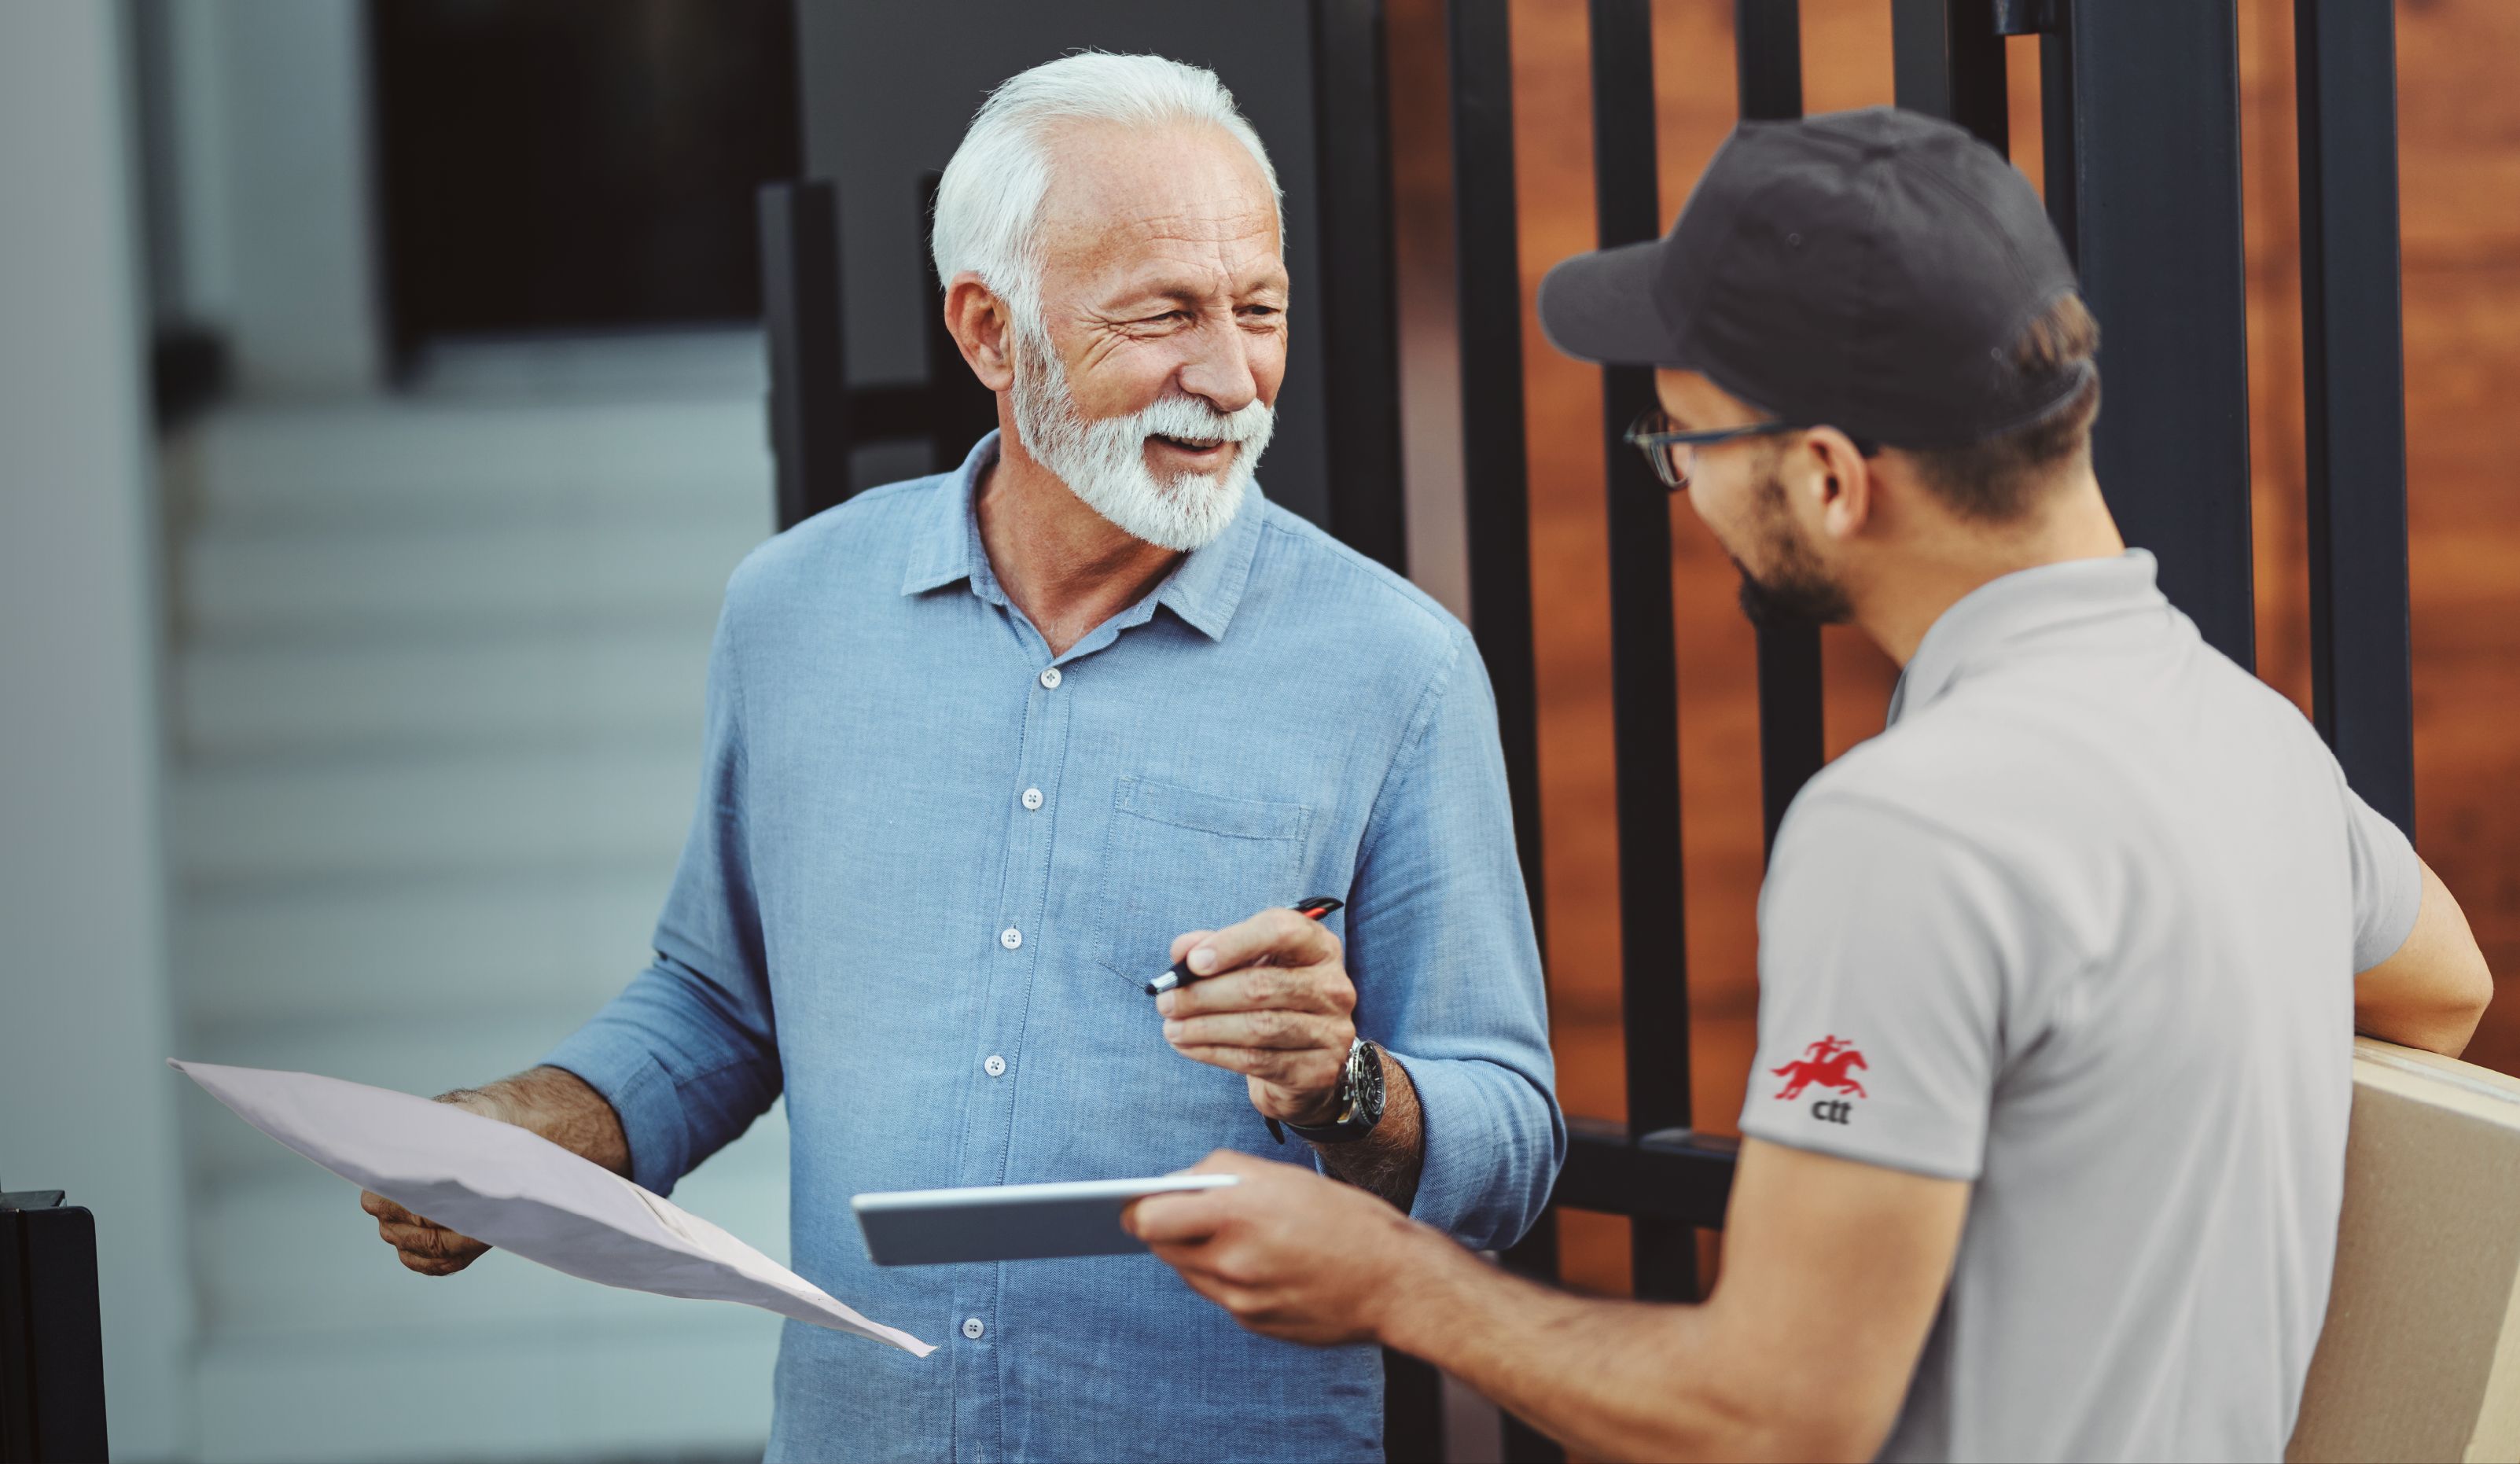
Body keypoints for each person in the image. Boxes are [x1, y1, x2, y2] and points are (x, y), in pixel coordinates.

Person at [1128, 107, 2496, 1462]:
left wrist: (1387, 1278)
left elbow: (1773, 1416)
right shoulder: (2254, 742)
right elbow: (2445, 993)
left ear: (1831, 479)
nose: (1682, 483)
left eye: (1684, 442)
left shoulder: (1907, 827)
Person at [355, 53, 1563, 1462]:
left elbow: (1510, 1143)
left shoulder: (1396, 666)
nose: (1233, 378)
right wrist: (535, 1125)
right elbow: (720, 1002)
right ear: (993, 331)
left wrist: (1342, 1085)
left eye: (1258, 308)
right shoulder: (793, 609)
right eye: (1164, 314)